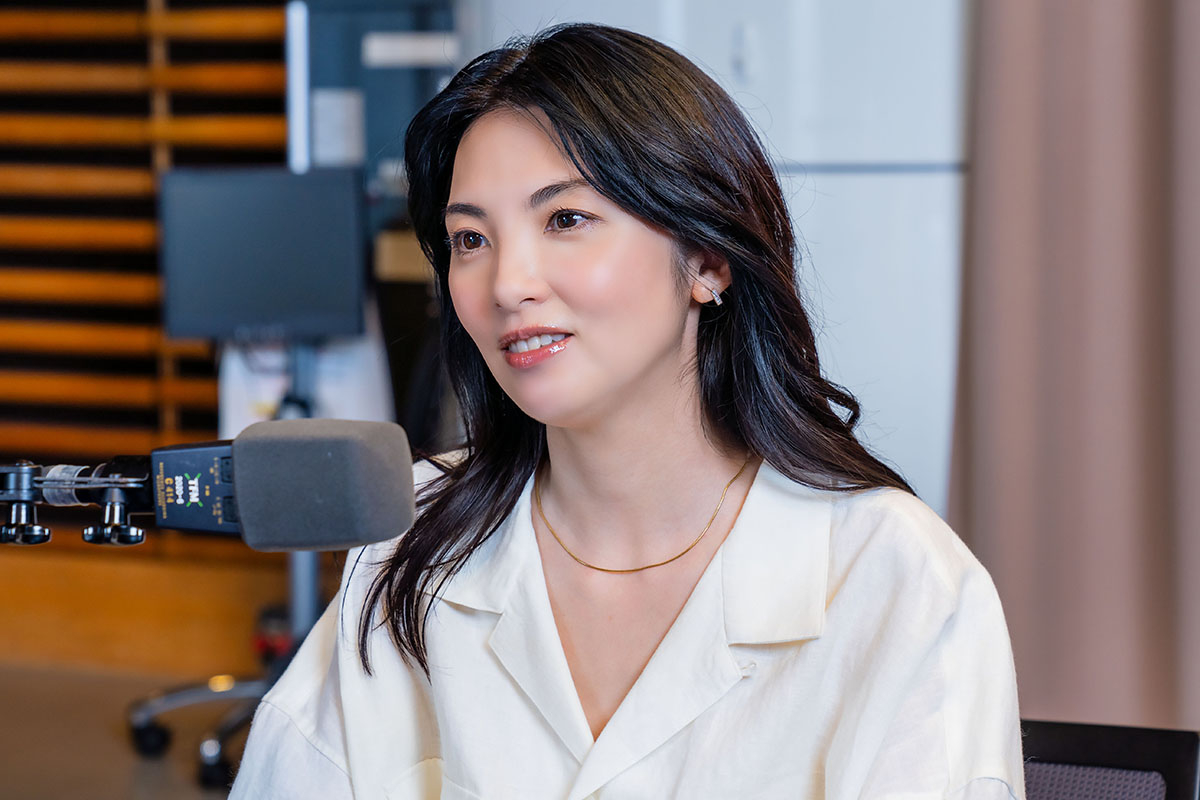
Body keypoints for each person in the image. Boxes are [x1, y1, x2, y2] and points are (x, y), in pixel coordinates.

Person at [231, 23, 1023, 799]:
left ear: (707, 260)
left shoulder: (896, 580)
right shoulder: (409, 542)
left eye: (565, 220)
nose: (508, 284)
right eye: (470, 239)